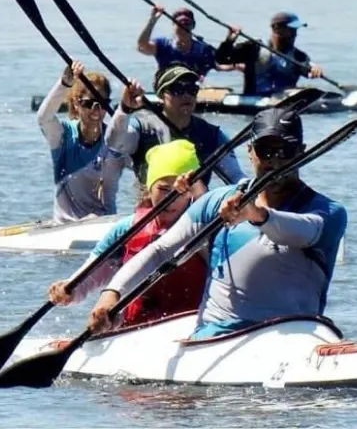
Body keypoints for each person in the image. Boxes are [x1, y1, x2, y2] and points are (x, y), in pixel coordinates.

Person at [87, 107, 347, 339]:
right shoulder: (217, 202)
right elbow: (160, 251)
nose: (275, 161)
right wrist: (112, 294)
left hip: (294, 334)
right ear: (250, 153)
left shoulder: (328, 212)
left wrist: (256, 215)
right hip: (216, 338)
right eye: (266, 151)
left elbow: (303, 230)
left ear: (302, 153)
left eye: (286, 151)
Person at [47, 140, 209, 326]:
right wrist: (69, 290)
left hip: (191, 326)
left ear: (192, 192)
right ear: (149, 189)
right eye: (163, 189)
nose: (171, 199)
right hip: (133, 330)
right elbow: (89, 276)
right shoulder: (126, 230)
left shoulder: (208, 226)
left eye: (180, 191)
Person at [105, 63, 245, 189]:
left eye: (192, 90)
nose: (186, 96)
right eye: (177, 89)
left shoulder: (212, 134)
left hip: (195, 212)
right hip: (152, 211)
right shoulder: (142, 128)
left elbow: (236, 177)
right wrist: (124, 109)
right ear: (161, 96)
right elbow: (114, 143)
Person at [36, 61, 130, 223]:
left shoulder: (115, 140)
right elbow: (44, 118)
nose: (96, 110)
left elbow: (146, 169)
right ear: (76, 104)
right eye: (88, 103)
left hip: (104, 229)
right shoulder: (63, 136)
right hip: (64, 229)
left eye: (101, 103)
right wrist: (65, 83)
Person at [215, 11, 325, 96]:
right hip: (253, 102)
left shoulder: (298, 56)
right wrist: (229, 41)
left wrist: (316, 69)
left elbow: (308, 69)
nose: (295, 34)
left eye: (295, 31)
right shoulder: (253, 47)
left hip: (283, 102)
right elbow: (222, 59)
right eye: (291, 30)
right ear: (277, 29)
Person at [136, 4, 233, 79]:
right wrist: (152, 19)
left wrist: (230, 40)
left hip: (191, 92)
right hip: (167, 92)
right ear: (173, 25)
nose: (183, 27)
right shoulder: (163, 45)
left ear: (193, 26)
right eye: (179, 23)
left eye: (187, 23)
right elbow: (142, 45)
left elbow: (220, 65)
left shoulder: (203, 50)